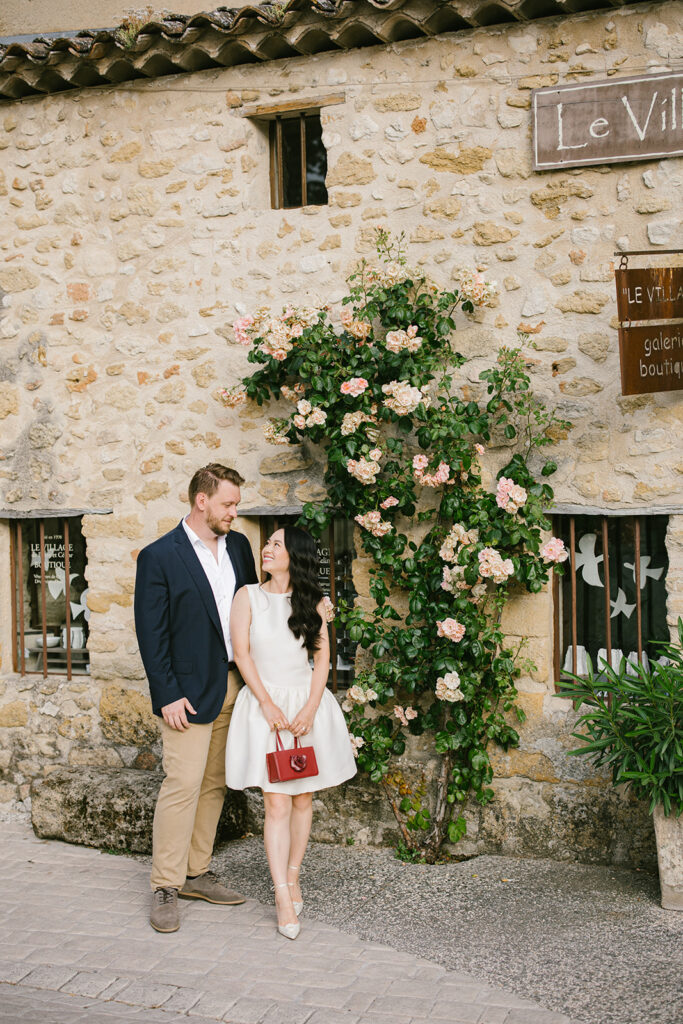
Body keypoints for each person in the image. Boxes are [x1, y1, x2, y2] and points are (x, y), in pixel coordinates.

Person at [134, 463, 258, 933]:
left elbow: (257, 603)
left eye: (236, 504)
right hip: (185, 693)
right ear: (201, 500)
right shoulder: (159, 556)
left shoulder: (240, 546)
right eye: (228, 503)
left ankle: (196, 872)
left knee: (214, 783)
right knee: (181, 785)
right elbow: (152, 632)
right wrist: (166, 692)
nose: (234, 512)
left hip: (233, 683)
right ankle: (165, 884)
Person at [226, 525, 357, 940]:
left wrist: (311, 707)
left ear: (293, 555)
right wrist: (266, 702)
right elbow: (242, 653)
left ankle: (294, 874)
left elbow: (322, 660)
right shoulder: (248, 597)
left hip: (306, 706)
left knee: (303, 799)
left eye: (275, 545)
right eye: (267, 543)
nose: (266, 549)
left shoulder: (314, 603)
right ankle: (282, 894)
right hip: (266, 707)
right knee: (276, 804)